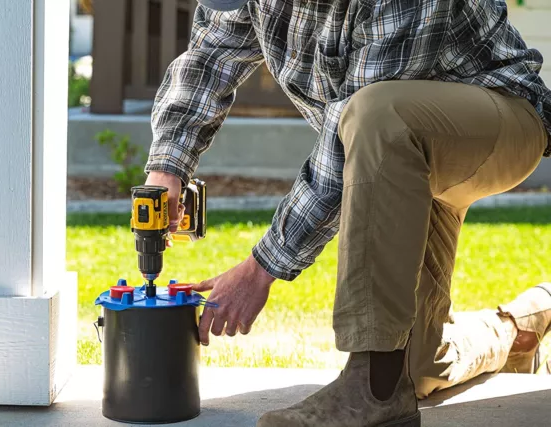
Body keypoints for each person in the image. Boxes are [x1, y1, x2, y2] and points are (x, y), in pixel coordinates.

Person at [144, 1, 551, 426]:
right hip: (397, 156)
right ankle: (518, 328)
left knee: (377, 112)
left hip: (494, 119)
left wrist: (259, 269)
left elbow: (357, 127)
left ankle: (370, 390)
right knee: (418, 369)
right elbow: (209, 56)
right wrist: (167, 168)